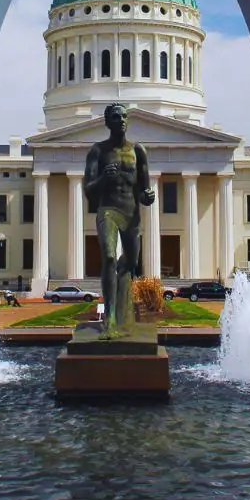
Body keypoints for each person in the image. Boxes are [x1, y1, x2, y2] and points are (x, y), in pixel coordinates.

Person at [84, 103, 156, 338]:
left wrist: (148, 196)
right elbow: (89, 191)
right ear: (107, 122)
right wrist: (104, 178)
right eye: (116, 117)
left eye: (124, 116)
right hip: (108, 211)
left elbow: (145, 191)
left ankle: (125, 317)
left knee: (130, 264)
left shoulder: (138, 151)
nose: (121, 120)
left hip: (131, 214)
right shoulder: (98, 151)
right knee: (109, 257)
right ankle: (110, 320)